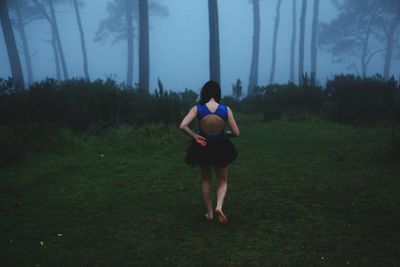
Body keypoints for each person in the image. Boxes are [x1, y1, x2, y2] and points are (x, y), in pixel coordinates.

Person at [179, 80, 239, 224]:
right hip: (222, 146)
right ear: (218, 93)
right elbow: (236, 133)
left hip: (203, 146)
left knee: (206, 180)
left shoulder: (197, 109)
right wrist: (227, 134)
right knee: (223, 180)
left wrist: (195, 136)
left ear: (204, 92)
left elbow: (183, 125)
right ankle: (219, 206)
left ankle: (210, 213)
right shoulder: (226, 109)